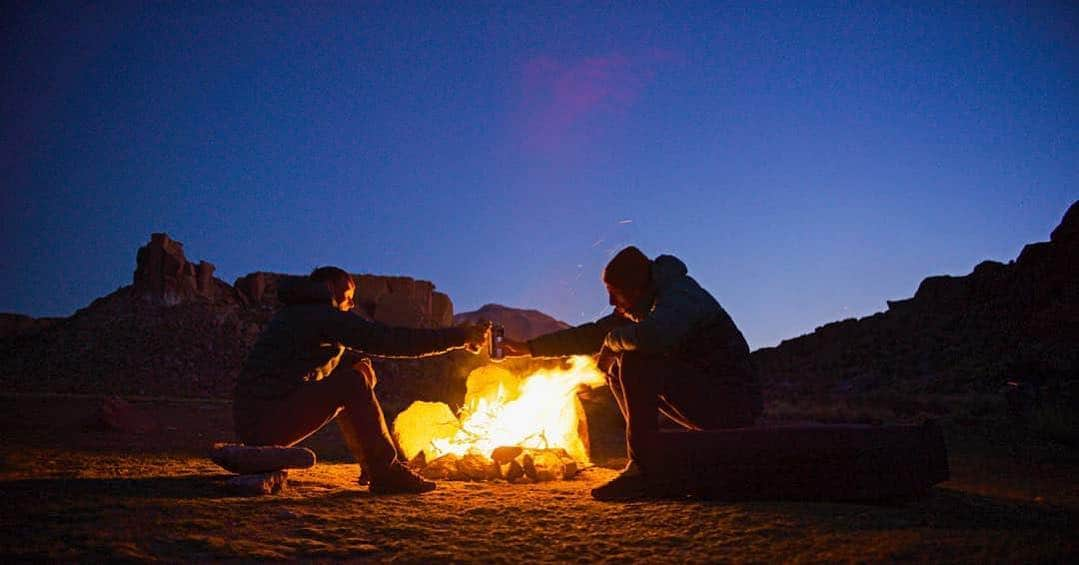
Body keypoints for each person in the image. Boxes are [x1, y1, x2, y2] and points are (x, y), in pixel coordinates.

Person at [500, 246, 763, 500]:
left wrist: (613, 341)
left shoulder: (680, 295)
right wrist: (527, 348)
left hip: (732, 406)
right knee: (618, 366)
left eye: (615, 292)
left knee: (636, 358)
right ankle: (648, 458)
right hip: (708, 401)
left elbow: (652, 336)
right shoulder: (644, 305)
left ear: (636, 288)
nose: (611, 301)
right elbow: (592, 334)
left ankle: (644, 470)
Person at [233, 266, 488, 494]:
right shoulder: (319, 315)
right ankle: (385, 472)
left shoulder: (301, 314)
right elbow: (387, 340)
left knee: (359, 371)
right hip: (265, 421)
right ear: (331, 287)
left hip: (262, 417)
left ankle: (372, 465)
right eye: (349, 296)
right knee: (353, 382)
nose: (351, 305)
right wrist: (458, 337)